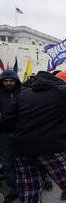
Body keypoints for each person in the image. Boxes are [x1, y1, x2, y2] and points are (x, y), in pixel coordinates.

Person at [2, 70, 66, 203]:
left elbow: (7, 120)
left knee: (30, 193)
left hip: (23, 150)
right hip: (53, 149)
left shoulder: (23, 93)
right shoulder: (62, 92)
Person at [0, 70, 21, 203]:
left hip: (21, 133)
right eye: (5, 81)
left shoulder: (23, 92)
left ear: (16, 81)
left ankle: (27, 187)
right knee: (8, 163)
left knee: (24, 162)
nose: (8, 83)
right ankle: (14, 190)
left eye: (11, 81)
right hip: (4, 134)